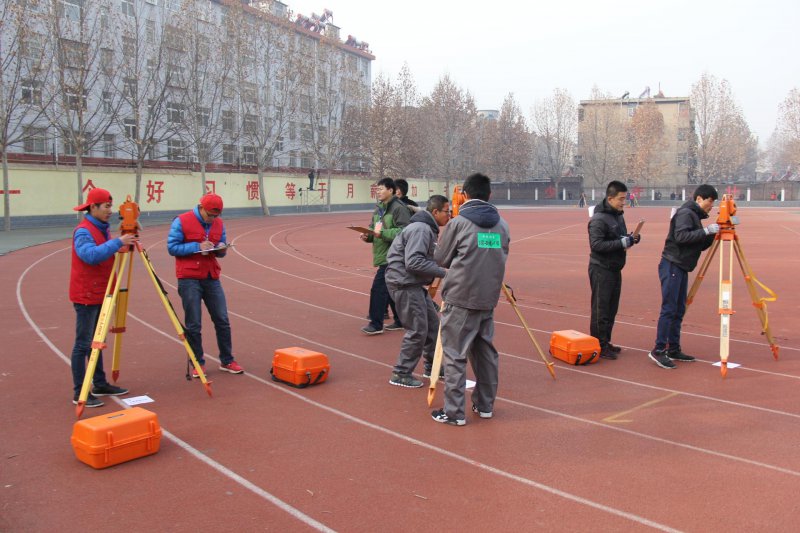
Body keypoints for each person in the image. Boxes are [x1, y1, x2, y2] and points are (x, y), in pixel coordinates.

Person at [431, 173, 510, 425]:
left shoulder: (459, 223)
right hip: (487, 298)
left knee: (455, 354)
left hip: (460, 297)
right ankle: (485, 405)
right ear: (489, 195)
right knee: (485, 352)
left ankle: (454, 413)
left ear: (464, 195)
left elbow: (441, 259)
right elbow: (502, 256)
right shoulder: (502, 225)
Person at [69, 188, 136, 408]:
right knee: (83, 344)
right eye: (106, 206)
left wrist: (122, 242)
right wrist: (118, 242)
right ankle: (80, 391)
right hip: (87, 295)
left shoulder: (103, 229)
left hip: (103, 293)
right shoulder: (83, 231)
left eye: (110, 206)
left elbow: (105, 252)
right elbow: (89, 256)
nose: (110, 211)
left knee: (98, 343)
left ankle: (99, 383)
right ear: (93, 207)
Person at [167, 193, 244, 377]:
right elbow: (172, 247)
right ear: (201, 207)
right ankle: (197, 362)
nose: (213, 219)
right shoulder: (182, 221)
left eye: (216, 216)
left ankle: (227, 360)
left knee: (222, 319)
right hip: (189, 278)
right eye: (210, 215)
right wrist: (196, 247)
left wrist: (221, 249)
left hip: (211, 276)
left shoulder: (218, 223)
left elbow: (221, 248)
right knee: (194, 323)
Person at [648, 184, 719, 369]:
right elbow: (681, 237)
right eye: (710, 202)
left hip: (681, 266)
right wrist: (706, 231)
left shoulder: (694, 215)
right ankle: (659, 349)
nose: (712, 206)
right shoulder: (686, 213)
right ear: (699, 199)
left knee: (679, 309)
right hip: (672, 264)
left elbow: (699, 244)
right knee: (670, 308)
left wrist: (711, 234)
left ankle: (673, 347)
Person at [385, 195, 450, 388]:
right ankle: (401, 373)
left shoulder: (425, 228)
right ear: (435, 212)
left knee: (432, 324)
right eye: (447, 211)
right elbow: (414, 262)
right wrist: (444, 272)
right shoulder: (421, 229)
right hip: (404, 284)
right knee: (417, 329)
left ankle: (432, 366)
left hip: (410, 283)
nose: (450, 215)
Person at [588, 180, 640, 360]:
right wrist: (621, 242)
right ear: (610, 198)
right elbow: (596, 245)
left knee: (611, 308)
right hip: (601, 268)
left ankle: (606, 341)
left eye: (625, 198)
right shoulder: (598, 219)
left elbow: (618, 238)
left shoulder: (618, 215)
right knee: (600, 309)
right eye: (620, 199)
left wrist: (630, 239)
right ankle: (599, 345)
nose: (623, 202)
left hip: (615, 267)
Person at [360, 178, 411, 335]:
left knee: (378, 289)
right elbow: (374, 228)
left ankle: (376, 324)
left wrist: (381, 234)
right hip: (383, 254)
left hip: (394, 256)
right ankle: (401, 320)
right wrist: (367, 235)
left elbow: (405, 231)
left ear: (391, 190)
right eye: (377, 189)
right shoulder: (379, 209)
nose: (378, 192)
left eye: (381, 189)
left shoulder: (399, 208)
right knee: (390, 289)